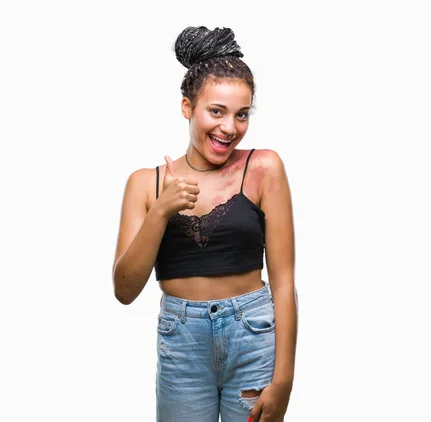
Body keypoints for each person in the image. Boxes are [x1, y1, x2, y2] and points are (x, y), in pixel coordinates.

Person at [112, 26, 297, 422]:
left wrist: (283, 380)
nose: (229, 127)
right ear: (187, 107)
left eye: (241, 114)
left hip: (253, 336)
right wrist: (161, 211)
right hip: (182, 344)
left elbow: (283, 281)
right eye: (217, 111)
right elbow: (125, 290)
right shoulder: (146, 184)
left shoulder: (263, 168)